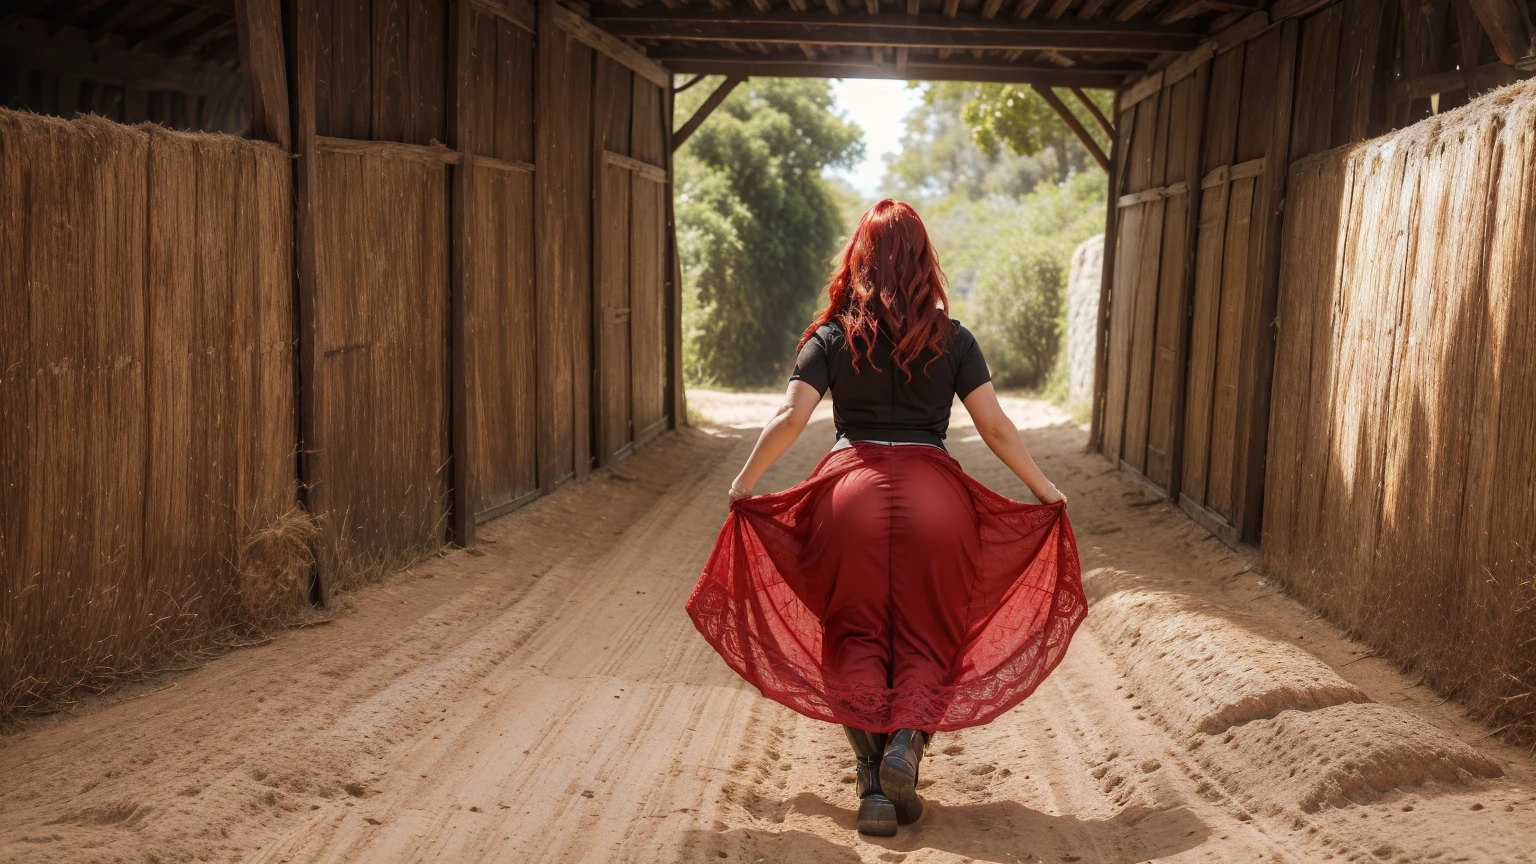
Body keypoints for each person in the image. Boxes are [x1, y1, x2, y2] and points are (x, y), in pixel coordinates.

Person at [685, 199, 1086, 837]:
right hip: (936, 497)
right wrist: (1045, 489)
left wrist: (745, 483)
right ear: (925, 262)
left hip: (851, 495)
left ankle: (872, 790)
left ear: (859, 260)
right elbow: (994, 425)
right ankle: (907, 741)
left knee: (853, 635)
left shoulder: (832, 335)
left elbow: (790, 418)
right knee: (933, 633)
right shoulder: (953, 339)